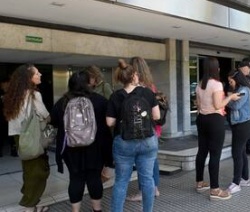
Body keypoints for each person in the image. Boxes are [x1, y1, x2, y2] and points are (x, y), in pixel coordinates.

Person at [51, 71, 112, 212]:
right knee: (94, 178)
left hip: (70, 148)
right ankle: (97, 209)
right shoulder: (99, 100)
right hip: (95, 148)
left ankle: (75, 210)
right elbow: (108, 123)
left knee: (75, 178)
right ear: (88, 84)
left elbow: (53, 121)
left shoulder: (62, 102)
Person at [106, 64, 160, 212]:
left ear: (120, 78)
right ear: (134, 76)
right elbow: (157, 116)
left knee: (121, 181)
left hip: (124, 142)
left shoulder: (115, 96)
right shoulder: (148, 93)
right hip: (148, 141)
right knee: (147, 179)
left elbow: (109, 122)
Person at [3, 64, 50, 212]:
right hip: (33, 136)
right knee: (39, 172)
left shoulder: (13, 95)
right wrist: (49, 119)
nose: (40, 74)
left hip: (19, 137)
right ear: (29, 78)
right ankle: (29, 206)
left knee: (29, 171)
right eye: (37, 73)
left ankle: (33, 203)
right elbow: (45, 115)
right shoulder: (34, 95)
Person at [195, 57, 239, 200]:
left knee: (202, 151)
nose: (219, 69)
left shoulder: (200, 84)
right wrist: (230, 97)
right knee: (215, 154)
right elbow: (218, 105)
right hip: (214, 120)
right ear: (215, 68)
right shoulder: (217, 84)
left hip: (201, 119)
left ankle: (200, 183)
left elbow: (199, 105)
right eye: (218, 66)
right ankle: (215, 190)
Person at [125, 56, 162, 201]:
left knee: (142, 160)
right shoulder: (151, 87)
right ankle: (155, 188)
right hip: (153, 129)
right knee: (152, 159)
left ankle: (143, 192)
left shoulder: (135, 89)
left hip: (140, 129)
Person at [226, 71, 250, 194]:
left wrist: (227, 98)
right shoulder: (239, 90)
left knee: (236, 153)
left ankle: (236, 183)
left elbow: (236, 106)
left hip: (243, 124)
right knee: (241, 152)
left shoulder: (244, 90)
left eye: (231, 81)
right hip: (240, 124)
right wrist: (230, 96)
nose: (230, 83)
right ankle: (245, 179)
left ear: (237, 79)